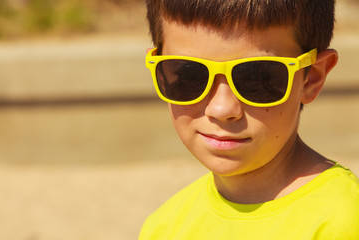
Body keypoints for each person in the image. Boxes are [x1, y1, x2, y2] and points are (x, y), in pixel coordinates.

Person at [139, 0, 359, 239]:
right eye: (189, 74)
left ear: (312, 77)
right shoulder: (164, 227)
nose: (222, 108)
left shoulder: (344, 222)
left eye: (257, 78)